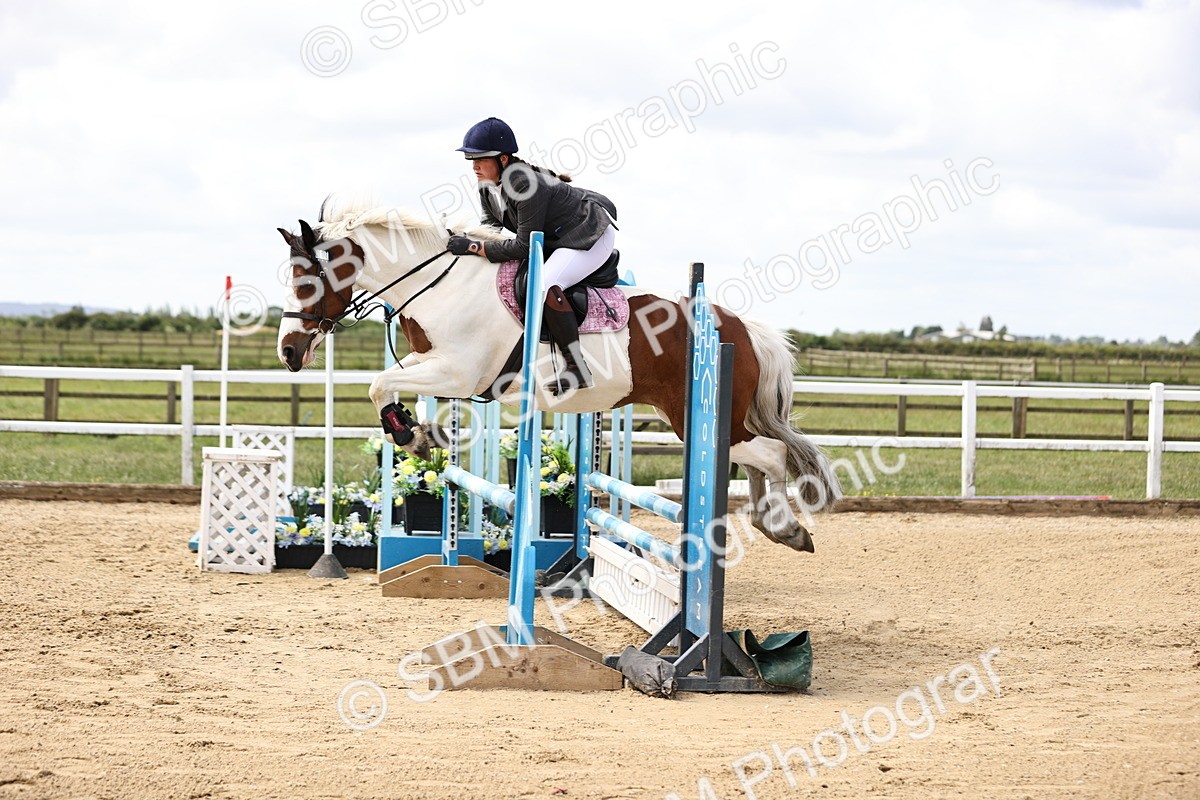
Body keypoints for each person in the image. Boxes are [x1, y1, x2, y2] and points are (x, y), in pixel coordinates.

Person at [447, 117, 617, 395]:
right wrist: (463, 238)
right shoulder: (488, 186)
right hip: (556, 239)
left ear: (503, 159)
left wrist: (473, 248)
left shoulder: (525, 184)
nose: (474, 166)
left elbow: (525, 246)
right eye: (471, 160)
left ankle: (577, 367)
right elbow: (491, 229)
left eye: (480, 159)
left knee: (545, 284)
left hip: (588, 235)